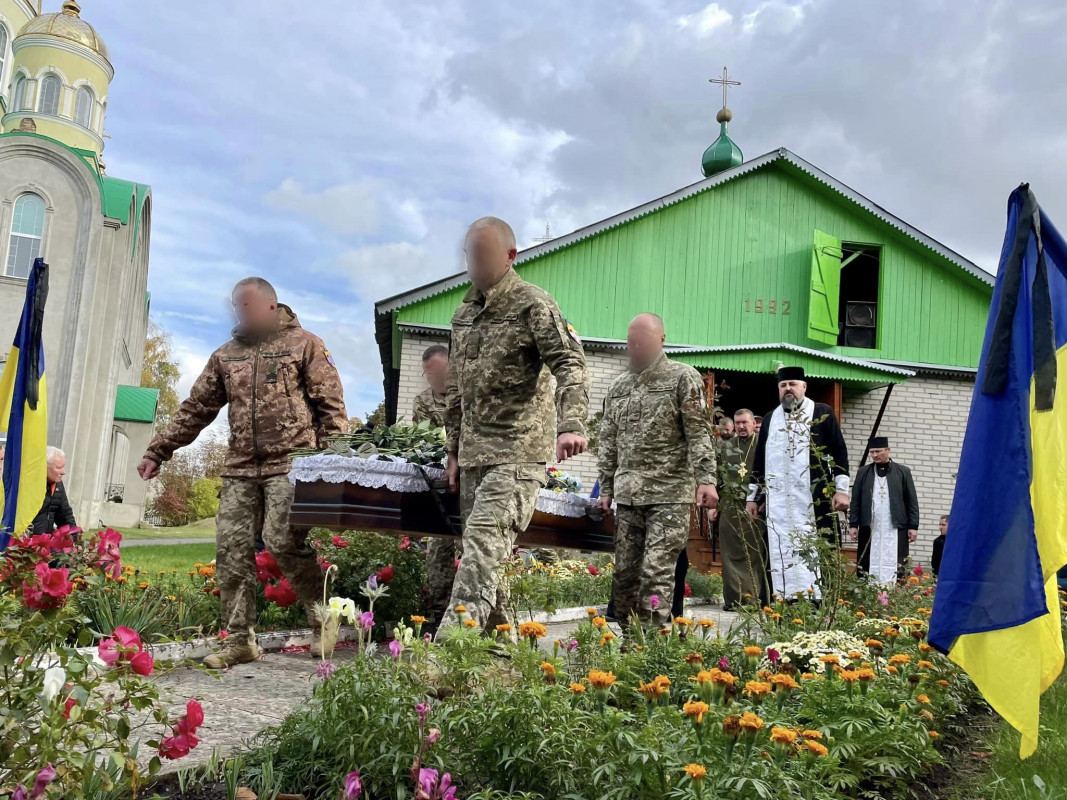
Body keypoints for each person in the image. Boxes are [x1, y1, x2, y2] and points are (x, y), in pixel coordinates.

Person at [138, 277, 347, 668]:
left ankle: (323, 616)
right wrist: (158, 450)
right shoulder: (226, 355)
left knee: (281, 539)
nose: (240, 313)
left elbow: (332, 408)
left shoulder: (305, 345)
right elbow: (196, 408)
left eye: (246, 306)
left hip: (293, 461)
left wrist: (333, 464)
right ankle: (239, 641)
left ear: (271, 305)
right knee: (231, 550)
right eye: (236, 307)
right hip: (240, 467)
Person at [441, 217, 589, 632]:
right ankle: (499, 647)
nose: (475, 263)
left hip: (518, 452)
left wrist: (571, 423)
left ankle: (445, 651)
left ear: (510, 256)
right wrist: (452, 450)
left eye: (485, 254)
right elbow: (456, 391)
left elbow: (570, 363)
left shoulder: (532, 304)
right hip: (473, 455)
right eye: (471, 254)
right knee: (484, 553)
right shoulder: (463, 314)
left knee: (484, 547)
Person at [597, 313, 717, 627]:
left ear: (661, 339)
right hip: (629, 496)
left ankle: (651, 647)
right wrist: (605, 488)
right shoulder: (619, 385)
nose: (636, 347)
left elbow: (699, 431)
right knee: (624, 576)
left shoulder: (682, 377)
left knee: (655, 573)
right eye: (632, 341)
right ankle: (630, 643)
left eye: (643, 341)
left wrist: (706, 480)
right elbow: (608, 438)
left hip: (669, 494)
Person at [746, 367, 850, 599]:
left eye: (792, 384)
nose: (788, 389)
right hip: (779, 505)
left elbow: (839, 452)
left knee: (817, 546)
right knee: (778, 548)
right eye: (783, 386)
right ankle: (779, 603)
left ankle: (819, 603)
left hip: (814, 501)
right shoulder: (771, 418)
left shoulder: (821, 412)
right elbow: (760, 459)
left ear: (804, 387)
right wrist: (753, 497)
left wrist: (842, 491)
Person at [413, 344, 457, 624]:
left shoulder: (466, 394)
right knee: (439, 550)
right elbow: (421, 443)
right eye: (430, 376)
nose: (435, 380)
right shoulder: (423, 402)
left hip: (471, 480)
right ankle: (439, 612)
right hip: (441, 484)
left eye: (439, 373)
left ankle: (472, 615)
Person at [849, 437, 920, 584]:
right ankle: (867, 590)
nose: (875, 455)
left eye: (878, 451)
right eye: (872, 452)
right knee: (867, 560)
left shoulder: (903, 472)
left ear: (888, 450)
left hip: (895, 524)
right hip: (870, 524)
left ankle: (895, 592)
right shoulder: (863, 472)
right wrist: (853, 524)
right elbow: (855, 500)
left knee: (897, 560)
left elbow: (911, 501)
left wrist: (913, 526)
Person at [716, 409, 766, 609]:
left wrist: (763, 501)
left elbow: (767, 475)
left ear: (754, 423)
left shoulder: (762, 446)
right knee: (729, 552)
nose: (741, 427)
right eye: (738, 423)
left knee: (753, 553)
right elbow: (718, 478)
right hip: (729, 505)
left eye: (745, 422)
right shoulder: (726, 447)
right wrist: (714, 506)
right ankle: (734, 600)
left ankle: (753, 599)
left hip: (753, 507)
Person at [31, 446, 77, 534]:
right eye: (59, 468)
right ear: (44, 467)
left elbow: (65, 516)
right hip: (28, 543)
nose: (63, 472)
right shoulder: (29, 486)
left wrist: (73, 539)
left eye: (63, 467)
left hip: (47, 543)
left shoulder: (58, 484)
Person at [413, 345, 449, 427]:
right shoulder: (423, 400)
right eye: (429, 375)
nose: (433, 380)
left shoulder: (468, 392)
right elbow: (426, 436)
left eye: (439, 373)